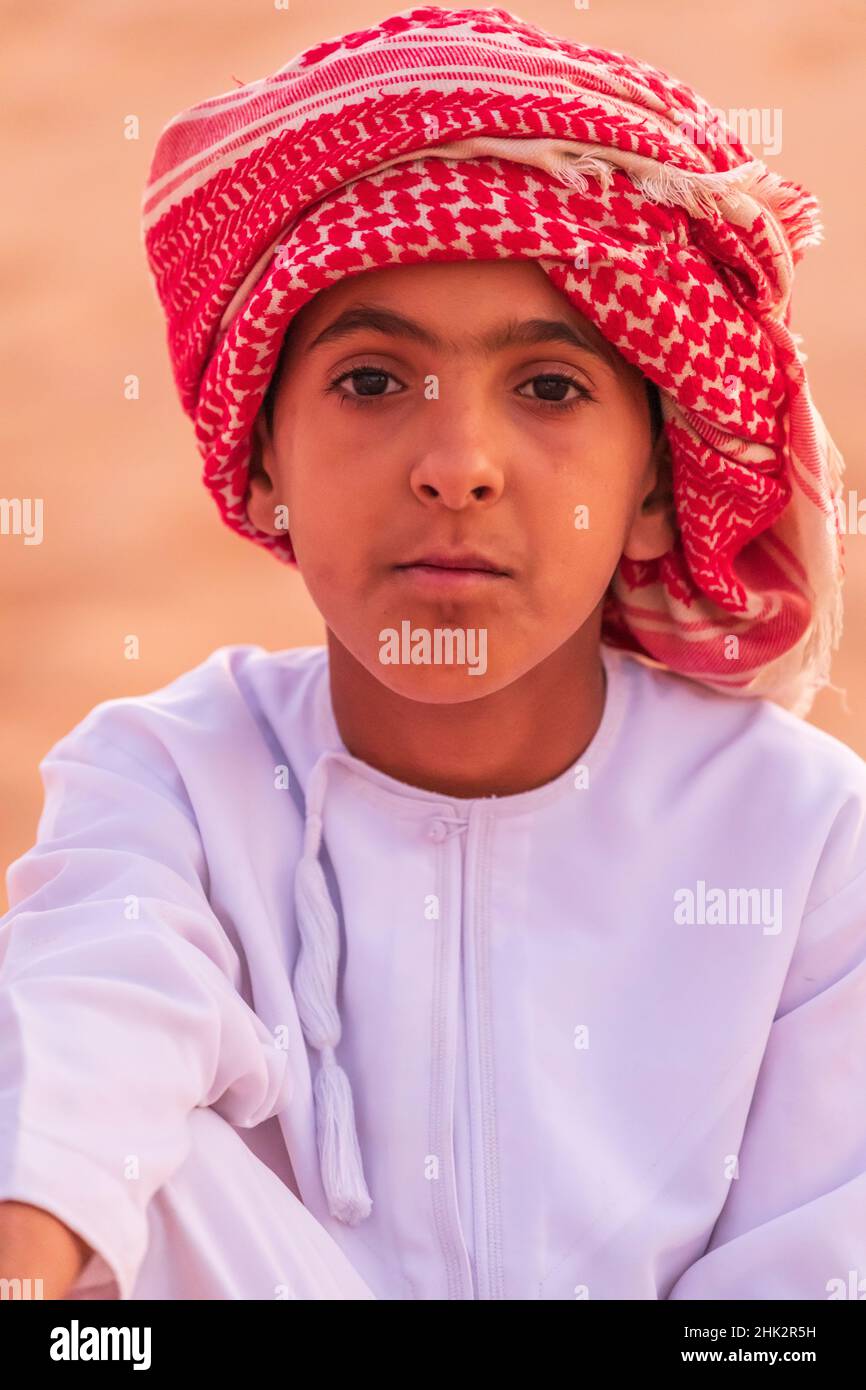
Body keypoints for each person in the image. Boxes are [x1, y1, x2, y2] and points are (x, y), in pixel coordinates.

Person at [1, 5, 864, 1301]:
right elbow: (86, 1025)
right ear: (264, 461)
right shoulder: (170, 776)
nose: (455, 466)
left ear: (649, 483)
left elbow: (813, 1270)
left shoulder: (798, 830)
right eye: (368, 380)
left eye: (550, 389)